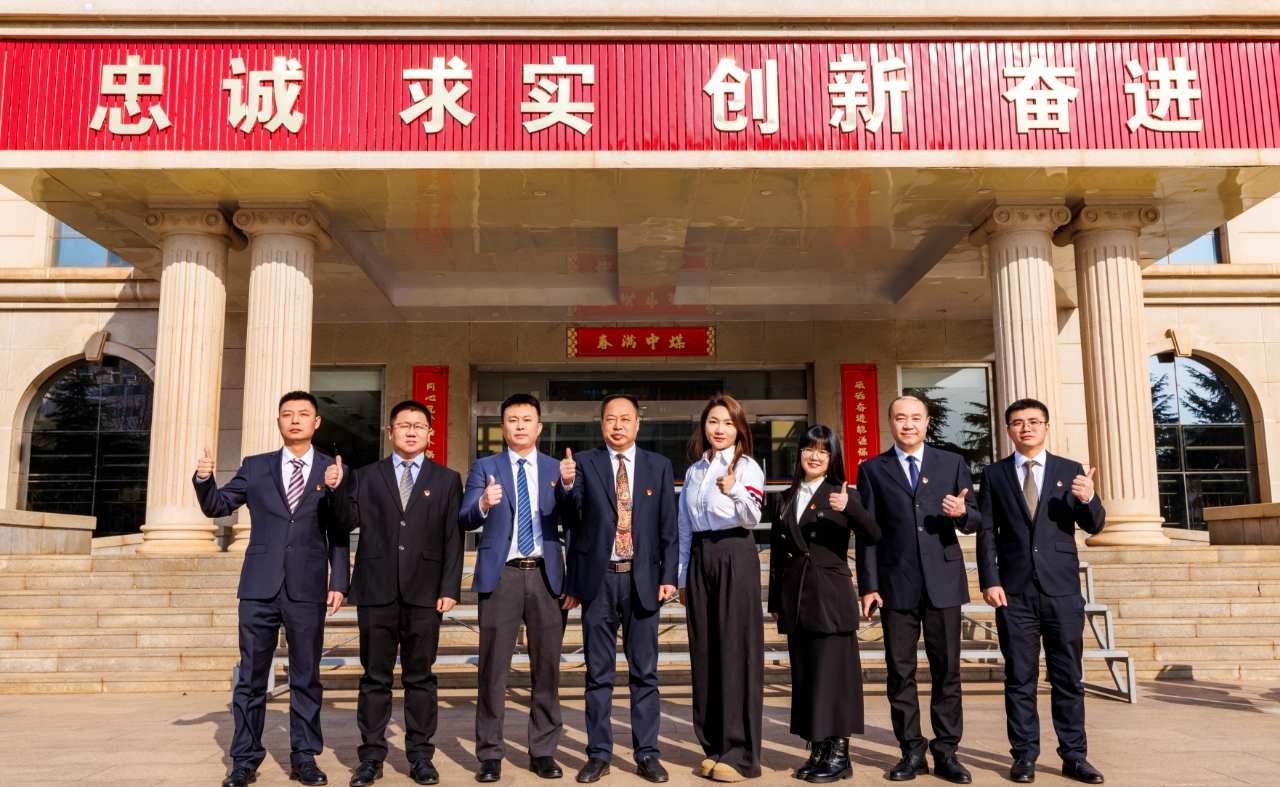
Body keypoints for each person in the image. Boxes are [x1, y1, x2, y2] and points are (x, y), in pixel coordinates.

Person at [193, 391, 352, 787]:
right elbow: (218, 506)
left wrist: (339, 580)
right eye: (287, 414)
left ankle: (305, 758)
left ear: (316, 422)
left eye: (303, 414)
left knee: (306, 677)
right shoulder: (256, 466)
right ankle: (244, 760)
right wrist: (204, 479)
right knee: (250, 677)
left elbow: (341, 528)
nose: (295, 419)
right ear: (279, 421)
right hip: (259, 586)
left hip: (308, 586)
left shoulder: (334, 469)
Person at [330, 400, 463, 787]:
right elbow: (344, 522)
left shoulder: (447, 479)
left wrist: (450, 586)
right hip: (376, 588)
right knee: (375, 677)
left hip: (426, 591)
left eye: (418, 426)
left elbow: (453, 538)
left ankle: (421, 756)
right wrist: (336, 490)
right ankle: (370, 757)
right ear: (390, 432)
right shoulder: (365, 476)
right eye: (404, 425)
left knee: (421, 678)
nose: (411, 431)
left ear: (429, 434)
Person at [975, 399, 1106, 785]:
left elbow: (1094, 525)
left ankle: (1075, 756)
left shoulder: (1070, 470)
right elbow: (986, 532)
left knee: (1068, 678)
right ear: (1009, 430)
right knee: (1020, 677)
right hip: (1014, 592)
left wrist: (1088, 498)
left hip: (1062, 591)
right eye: (1017, 422)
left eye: (1034, 421)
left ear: (1047, 427)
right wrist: (990, 580)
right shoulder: (995, 474)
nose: (1026, 428)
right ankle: (1024, 756)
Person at [855, 395, 980, 784]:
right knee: (900, 672)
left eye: (915, 418)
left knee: (947, 671)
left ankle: (947, 752)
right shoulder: (872, 469)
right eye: (900, 418)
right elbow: (868, 533)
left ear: (927, 423)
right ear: (889, 423)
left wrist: (963, 514)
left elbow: (976, 517)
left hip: (943, 582)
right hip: (895, 583)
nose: (907, 424)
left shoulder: (952, 463)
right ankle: (911, 751)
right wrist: (868, 585)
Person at [561, 393, 679, 784]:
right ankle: (599, 754)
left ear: (637, 423)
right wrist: (566, 484)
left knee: (645, 673)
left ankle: (647, 753)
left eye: (625, 418)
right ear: (601, 423)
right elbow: (571, 518)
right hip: (598, 582)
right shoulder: (584, 462)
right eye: (610, 418)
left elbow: (668, 526)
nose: (618, 425)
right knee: (598, 674)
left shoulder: (658, 465)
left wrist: (669, 576)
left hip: (643, 580)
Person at [460, 393, 574, 783]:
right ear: (502, 427)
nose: (520, 425)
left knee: (547, 669)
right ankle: (490, 753)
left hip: (546, 576)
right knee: (493, 669)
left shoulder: (557, 468)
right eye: (512, 419)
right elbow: (464, 517)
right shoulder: (484, 466)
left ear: (539, 427)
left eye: (527, 419)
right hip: (501, 576)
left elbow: (575, 520)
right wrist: (483, 504)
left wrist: (569, 486)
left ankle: (543, 750)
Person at [769, 425, 880, 784]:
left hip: (830, 596)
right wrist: (775, 600)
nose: (814, 456)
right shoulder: (784, 498)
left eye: (823, 451)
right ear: (799, 453)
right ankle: (818, 749)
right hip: (795, 597)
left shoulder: (843, 493)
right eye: (808, 449)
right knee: (807, 677)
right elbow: (777, 555)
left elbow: (873, 535)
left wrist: (852, 509)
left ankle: (840, 754)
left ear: (832, 458)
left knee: (834, 677)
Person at [678, 395, 766, 782]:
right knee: (705, 653)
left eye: (728, 423)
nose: (719, 429)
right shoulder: (695, 470)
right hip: (701, 557)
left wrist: (735, 490)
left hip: (735, 555)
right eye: (713, 421)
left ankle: (742, 754)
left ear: (739, 429)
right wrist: (683, 574)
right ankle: (714, 746)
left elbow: (752, 518)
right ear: (704, 426)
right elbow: (684, 525)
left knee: (736, 652)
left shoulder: (748, 467)